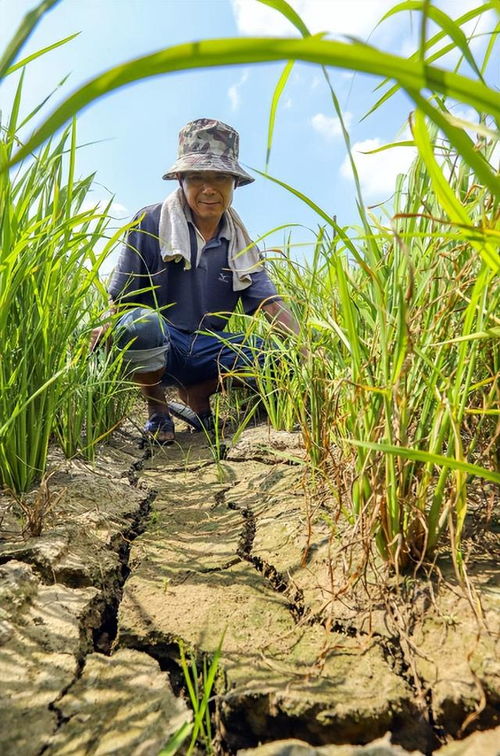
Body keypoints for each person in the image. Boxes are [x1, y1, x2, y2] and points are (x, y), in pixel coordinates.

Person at [93, 118, 300, 443]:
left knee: (278, 356)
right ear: (180, 180)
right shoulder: (150, 222)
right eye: (197, 177)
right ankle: (157, 409)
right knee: (138, 325)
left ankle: (196, 395)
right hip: (162, 343)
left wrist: (307, 350)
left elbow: (268, 303)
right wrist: (102, 333)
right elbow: (120, 303)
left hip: (208, 347)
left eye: (220, 177)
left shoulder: (240, 243)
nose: (209, 188)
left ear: (233, 183)